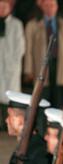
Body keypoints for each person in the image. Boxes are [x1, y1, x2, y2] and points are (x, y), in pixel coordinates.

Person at [24, 0, 63, 109]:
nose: (50, 8)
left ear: (57, 7)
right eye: (47, 5)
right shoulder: (32, 25)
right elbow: (28, 49)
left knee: (60, 100)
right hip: (41, 66)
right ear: (42, 7)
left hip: (62, 66)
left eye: (52, 5)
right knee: (43, 99)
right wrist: (28, 70)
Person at [0, 0, 25, 131]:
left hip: (11, 67)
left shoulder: (16, 24)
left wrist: (13, 63)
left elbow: (20, 47)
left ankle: (9, 124)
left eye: (4, 7)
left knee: (9, 97)